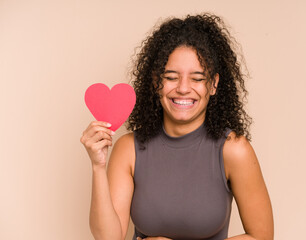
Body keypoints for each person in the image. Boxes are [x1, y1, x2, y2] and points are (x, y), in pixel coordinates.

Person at [81, 13, 274, 240]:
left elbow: (262, 237)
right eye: (171, 77)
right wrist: (97, 166)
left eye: (197, 78)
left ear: (213, 85)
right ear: (156, 82)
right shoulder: (128, 149)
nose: (183, 88)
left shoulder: (234, 150)